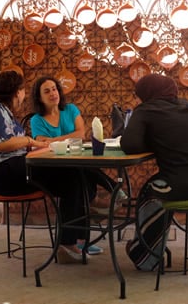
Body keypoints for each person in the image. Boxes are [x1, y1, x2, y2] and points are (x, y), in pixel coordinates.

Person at [0, 70, 88, 264]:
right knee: (70, 176)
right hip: (0, 175)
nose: (23, 94)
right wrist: (30, 141)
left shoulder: (0, 110)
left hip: (9, 171)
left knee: (73, 178)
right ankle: (71, 242)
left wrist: (33, 144)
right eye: (22, 90)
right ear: (17, 92)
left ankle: (74, 240)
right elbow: (1, 144)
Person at [120, 73, 188, 269]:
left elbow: (130, 145)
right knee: (161, 185)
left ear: (146, 93)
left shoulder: (145, 110)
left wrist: (151, 140)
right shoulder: (187, 106)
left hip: (186, 184)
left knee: (149, 192)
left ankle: (147, 255)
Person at [30, 76, 126, 255]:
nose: (53, 93)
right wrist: (65, 138)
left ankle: (79, 240)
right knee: (79, 178)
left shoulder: (71, 110)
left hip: (74, 165)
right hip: (53, 169)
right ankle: (109, 190)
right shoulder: (37, 120)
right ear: (39, 98)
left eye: (54, 89)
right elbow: (40, 142)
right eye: (47, 91)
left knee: (79, 177)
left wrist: (54, 140)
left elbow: (81, 134)